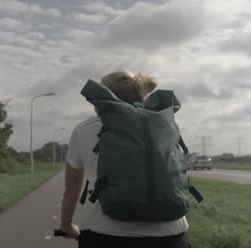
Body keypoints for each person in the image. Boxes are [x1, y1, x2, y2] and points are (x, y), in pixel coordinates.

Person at [60, 70, 191, 248]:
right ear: (142, 95)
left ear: (104, 97)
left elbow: (71, 192)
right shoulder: (164, 124)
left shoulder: (83, 129)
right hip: (171, 236)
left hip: (105, 236)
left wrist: (66, 225)